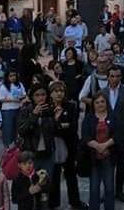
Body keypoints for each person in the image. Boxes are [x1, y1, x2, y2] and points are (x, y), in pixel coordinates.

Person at [48, 81, 87, 210]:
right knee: (54, 175)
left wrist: (59, 126)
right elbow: (49, 129)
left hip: (69, 145)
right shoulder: (48, 108)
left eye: (61, 91)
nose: (59, 93)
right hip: (53, 146)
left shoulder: (70, 106)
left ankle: (75, 203)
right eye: (56, 91)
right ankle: (53, 203)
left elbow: (72, 127)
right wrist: (60, 125)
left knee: (71, 174)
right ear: (51, 93)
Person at [100, 66, 124, 203]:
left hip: (122, 134)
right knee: (106, 163)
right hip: (106, 133)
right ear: (108, 77)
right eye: (112, 76)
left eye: (117, 76)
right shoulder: (102, 92)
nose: (115, 79)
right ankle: (107, 190)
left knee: (121, 163)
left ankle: (119, 190)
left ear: (121, 77)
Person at [81, 92, 118, 210]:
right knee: (94, 188)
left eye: (102, 101)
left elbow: (119, 134)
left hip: (109, 156)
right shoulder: (88, 118)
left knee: (109, 188)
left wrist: (106, 145)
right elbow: (85, 136)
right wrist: (98, 146)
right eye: (97, 102)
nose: (100, 104)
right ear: (93, 104)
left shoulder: (113, 117)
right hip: (93, 158)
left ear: (106, 103)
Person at [17, 84, 56, 176]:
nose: (41, 98)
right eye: (37, 95)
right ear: (32, 97)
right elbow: (22, 130)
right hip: (31, 151)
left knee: (46, 181)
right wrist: (34, 116)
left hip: (47, 151)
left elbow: (55, 131)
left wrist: (56, 119)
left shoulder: (50, 110)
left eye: (43, 95)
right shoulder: (26, 110)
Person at [0, 70, 26, 147]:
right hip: (8, 110)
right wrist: (12, 99)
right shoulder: (3, 86)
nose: (13, 77)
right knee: (8, 129)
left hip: (18, 108)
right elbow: (1, 99)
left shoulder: (19, 84)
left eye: (14, 75)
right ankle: (8, 146)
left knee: (17, 129)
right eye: (11, 76)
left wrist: (20, 98)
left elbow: (24, 94)